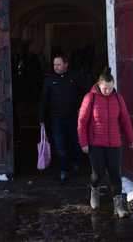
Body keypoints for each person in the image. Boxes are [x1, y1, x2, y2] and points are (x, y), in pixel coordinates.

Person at [77, 68, 133, 218]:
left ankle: (118, 205)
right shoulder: (90, 98)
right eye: (105, 88)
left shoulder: (118, 98)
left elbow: (125, 120)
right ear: (99, 84)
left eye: (110, 88)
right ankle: (94, 189)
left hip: (114, 143)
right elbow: (82, 121)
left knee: (115, 173)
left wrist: (131, 138)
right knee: (98, 173)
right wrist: (83, 142)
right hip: (96, 143)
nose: (108, 91)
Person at [39, 54, 82, 183]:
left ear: (66, 65)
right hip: (56, 118)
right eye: (54, 65)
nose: (56, 67)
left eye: (58, 64)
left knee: (75, 141)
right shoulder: (49, 80)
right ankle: (63, 170)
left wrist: (81, 109)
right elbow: (44, 100)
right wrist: (41, 118)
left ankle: (76, 163)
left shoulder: (74, 78)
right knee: (60, 144)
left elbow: (81, 95)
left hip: (73, 117)